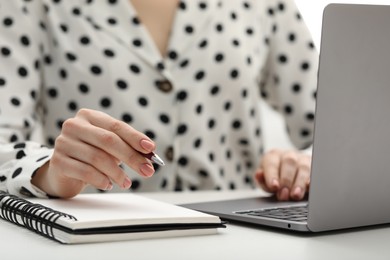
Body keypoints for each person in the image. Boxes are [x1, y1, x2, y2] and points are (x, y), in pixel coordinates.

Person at [0, 0, 317, 201]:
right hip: (96, 239)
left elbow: (337, 128)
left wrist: (305, 165)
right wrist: (50, 173)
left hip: (241, 237)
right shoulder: (27, 5)